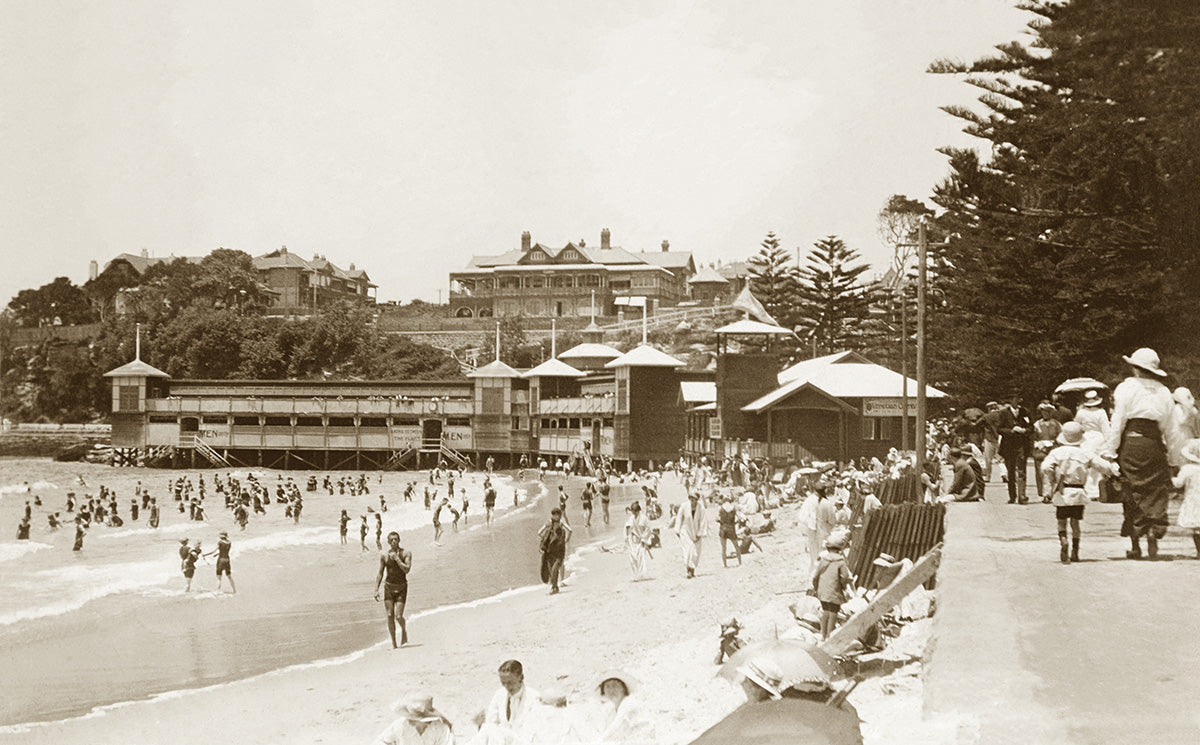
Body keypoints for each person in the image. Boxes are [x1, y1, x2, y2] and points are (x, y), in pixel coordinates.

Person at [1105, 348, 1181, 559]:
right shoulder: (1164, 392)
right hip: (1154, 444)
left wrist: (1110, 452)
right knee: (1155, 490)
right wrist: (1174, 459)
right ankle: (1153, 534)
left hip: (1131, 443)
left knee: (1132, 491)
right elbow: (1171, 429)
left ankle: (1136, 543)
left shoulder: (1125, 388)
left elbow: (1117, 422)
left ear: (1135, 368)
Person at [1042, 422, 1118, 563]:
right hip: (1078, 492)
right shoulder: (1085, 453)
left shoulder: (1056, 453)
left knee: (1061, 521)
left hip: (1063, 490)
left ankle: (1063, 540)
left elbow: (1045, 467)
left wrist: (1053, 477)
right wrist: (1113, 470)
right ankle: (1075, 551)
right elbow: (1103, 466)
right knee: (1075, 523)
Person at [475, 660, 548, 745]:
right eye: (503, 683)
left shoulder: (535, 698)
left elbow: (537, 732)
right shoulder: (499, 694)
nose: (506, 687)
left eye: (510, 682)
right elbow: (491, 723)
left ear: (521, 677)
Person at [374, 531, 412, 648]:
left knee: (398, 616)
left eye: (396, 539)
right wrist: (376, 589)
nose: (394, 541)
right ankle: (394, 643)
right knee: (390, 614)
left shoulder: (406, 553)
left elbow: (407, 570)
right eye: (392, 540)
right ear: (388, 542)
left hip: (401, 587)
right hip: (389, 587)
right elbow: (380, 573)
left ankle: (404, 629)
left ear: (399, 540)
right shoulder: (384, 556)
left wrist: (397, 559)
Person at [812, 534, 852, 640]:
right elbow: (844, 577)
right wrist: (844, 587)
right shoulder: (840, 562)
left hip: (822, 591)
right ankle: (830, 636)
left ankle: (823, 635)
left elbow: (815, 577)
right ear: (839, 549)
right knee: (833, 612)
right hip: (834, 592)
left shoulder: (823, 560)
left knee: (825, 611)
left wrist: (817, 589)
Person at [372, 694, 453, 745]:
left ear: (427, 720)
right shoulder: (400, 724)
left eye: (413, 719)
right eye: (409, 717)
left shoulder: (441, 729)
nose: (409, 721)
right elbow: (381, 741)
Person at [1075, 390, 1112, 501]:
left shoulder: (1081, 412)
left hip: (1086, 438)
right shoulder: (1101, 412)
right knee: (1097, 464)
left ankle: (1086, 489)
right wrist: (1108, 442)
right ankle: (1096, 490)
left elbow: (1077, 425)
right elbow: (1106, 429)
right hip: (1098, 437)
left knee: (1086, 463)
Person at [997, 395, 1032, 503]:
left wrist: (1025, 430)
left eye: (1018, 399)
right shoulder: (1003, 413)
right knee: (1011, 471)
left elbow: (1031, 427)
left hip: (1021, 444)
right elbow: (999, 429)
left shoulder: (1025, 411)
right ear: (1010, 400)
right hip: (1008, 445)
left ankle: (1022, 495)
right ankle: (1012, 496)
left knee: (1021, 470)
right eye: (1013, 399)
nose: (1016, 401)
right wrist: (1011, 431)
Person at [1171, 439, 1200, 559]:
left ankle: (1199, 551)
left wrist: (1171, 477)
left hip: (1194, 501)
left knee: (1197, 528)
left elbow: (1178, 484)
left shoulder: (1187, 469)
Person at [671, 491, 708, 579]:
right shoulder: (684, 506)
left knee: (695, 552)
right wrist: (677, 530)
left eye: (694, 499)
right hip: (685, 530)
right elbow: (679, 517)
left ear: (697, 499)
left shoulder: (701, 507)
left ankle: (692, 569)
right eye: (691, 498)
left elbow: (703, 520)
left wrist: (700, 533)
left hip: (696, 531)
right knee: (688, 550)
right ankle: (689, 570)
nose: (692, 501)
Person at [1031, 402, 1064, 502]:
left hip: (1053, 449)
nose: (1046, 414)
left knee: (1052, 471)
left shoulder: (1057, 424)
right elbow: (1033, 437)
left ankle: (1051, 492)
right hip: (1041, 449)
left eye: (1048, 412)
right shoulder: (1037, 424)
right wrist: (1038, 444)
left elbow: (1061, 436)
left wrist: (1054, 442)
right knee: (1041, 471)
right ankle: (1043, 492)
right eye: (1044, 411)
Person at [538, 508, 572, 594]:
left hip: (550, 550)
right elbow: (570, 530)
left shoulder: (549, 523)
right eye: (555, 514)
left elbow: (539, 533)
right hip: (559, 550)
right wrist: (566, 540)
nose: (556, 516)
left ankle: (554, 587)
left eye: (556, 514)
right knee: (554, 569)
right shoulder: (561, 523)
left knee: (552, 570)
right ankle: (555, 587)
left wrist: (545, 540)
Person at [624, 501, 652, 580]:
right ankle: (636, 574)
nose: (632, 513)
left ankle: (642, 575)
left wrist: (644, 538)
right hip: (634, 540)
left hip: (642, 540)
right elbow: (628, 526)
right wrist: (628, 537)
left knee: (641, 557)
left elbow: (648, 529)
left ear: (637, 511)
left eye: (633, 511)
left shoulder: (644, 518)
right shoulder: (632, 518)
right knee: (633, 557)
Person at [981, 401, 1003, 481]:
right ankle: (1004, 474)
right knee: (1001, 458)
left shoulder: (986, 416)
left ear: (989, 408)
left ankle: (988, 477)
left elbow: (979, 423)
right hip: (1000, 438)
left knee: (988, 459)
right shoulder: (1002, 415)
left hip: (989, 438)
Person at [717, 496, 741, 567]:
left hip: (723, 528)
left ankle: (725, 565)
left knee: (724, 548)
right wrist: (734, 523)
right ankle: (740, 562)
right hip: (731, 528)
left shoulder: (720, 508)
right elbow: (739, 518)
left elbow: (717, 519)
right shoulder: (733, 508)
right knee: (736, 546)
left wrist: (720, 521)